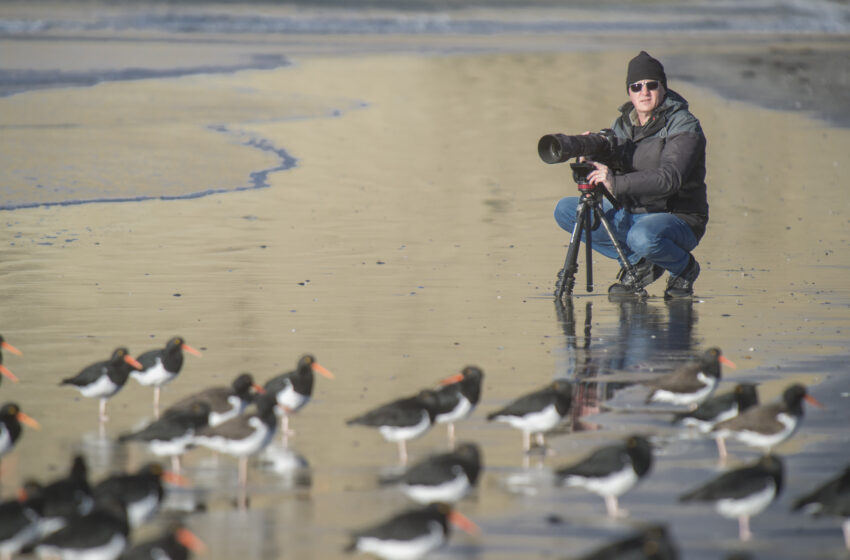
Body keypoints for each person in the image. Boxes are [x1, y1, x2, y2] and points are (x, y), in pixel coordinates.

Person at [553, 51, 708, 299]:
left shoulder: (683, 124)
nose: (643, 92)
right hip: (634, 214)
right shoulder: (622, 126)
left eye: (651, 85)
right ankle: (639, 264)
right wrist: (593, 167)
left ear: (663, 88)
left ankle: (684, 268)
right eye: (636, 87)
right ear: (629, 92)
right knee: (565, 210)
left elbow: (670, 178)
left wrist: (615, 181)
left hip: (677, 218)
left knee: (642, 236)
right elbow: (613, 186)